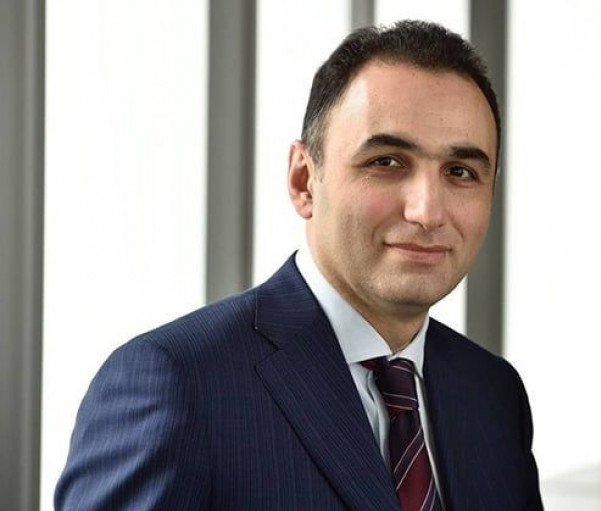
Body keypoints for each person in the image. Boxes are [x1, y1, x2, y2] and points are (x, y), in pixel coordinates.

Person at [55, 20, 543, 511]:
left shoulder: (494, 395)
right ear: (303, 180)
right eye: (387, 162)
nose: (427, 211)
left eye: (460, 172)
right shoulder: (180, 384)